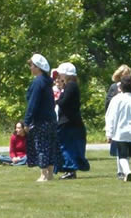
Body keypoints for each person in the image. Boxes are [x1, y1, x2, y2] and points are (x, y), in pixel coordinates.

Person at [24, 53, 61, 181]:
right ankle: (50, 173)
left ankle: (43, 174)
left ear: (38, 67)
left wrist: (27, 122)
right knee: (50, 146)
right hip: (51, 119)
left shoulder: (37, 82)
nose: (30, 68)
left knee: (41, 146)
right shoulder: (46, 82)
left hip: (41, 121)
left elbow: (33, 103)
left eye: (32, 65)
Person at [55, 62, 90, 179]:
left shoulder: (70, 86)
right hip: (69, 121)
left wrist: (57, 100)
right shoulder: (70, 85)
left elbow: (64, 102)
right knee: (68, 146)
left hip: (68, 121)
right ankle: (69, 168)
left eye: (60, 73)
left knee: (66, 146)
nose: (59, 75)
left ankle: (70, 169)